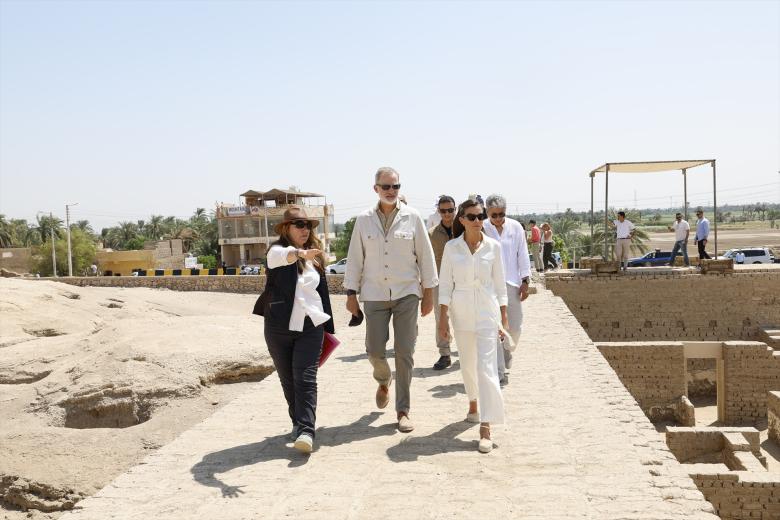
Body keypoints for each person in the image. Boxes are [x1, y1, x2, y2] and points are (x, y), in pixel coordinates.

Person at [344, 167, 437, 433]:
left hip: (407, 293)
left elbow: (426, 258)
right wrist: (351, 295)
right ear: (376, 189)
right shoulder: (363, 220)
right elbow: (355, 260)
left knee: (404, 352)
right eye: (386, 187)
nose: (391, 191)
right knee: (374, 350)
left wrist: (428, 294)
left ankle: (403, 410)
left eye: (395, 187)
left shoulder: (413, 217)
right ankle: (384, 380)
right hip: (373, 295)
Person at [254, 206, 334, 454]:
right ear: (286, 228)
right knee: (288, 381)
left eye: (308, 225)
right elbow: (285, 256)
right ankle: (297, 422)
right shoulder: (276, 251)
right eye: (299, 224)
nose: (305, 229)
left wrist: (329, 329)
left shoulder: (316, 258)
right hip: (278, 326)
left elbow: (322, 293)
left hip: (310, 326)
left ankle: (307, 430)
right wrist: (301, 253)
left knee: (306, 378)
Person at [438, 197, 508, 454]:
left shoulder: (493, 247)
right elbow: (445, 285)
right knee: (467, 364)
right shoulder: (452, 248)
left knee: (486, 368)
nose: (478, 221)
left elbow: (500, 285)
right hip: (461, 311)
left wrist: (504, 316)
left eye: (481, 216)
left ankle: (486, 427)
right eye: (473, 217)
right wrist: (442, 319)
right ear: (462, 220)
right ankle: (473, 402)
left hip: (487, 312)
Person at [483, 194, 531, 386]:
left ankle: (507, 350)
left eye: (501, 214)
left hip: (511, 283)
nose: (498, 218)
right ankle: (499, 371)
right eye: (494, 215)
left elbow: (523, 254)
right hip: (490, 285)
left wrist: (526, 280)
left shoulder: (515, 227)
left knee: (516, 327)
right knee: (495, 328)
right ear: (487, 212)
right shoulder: (482, 227)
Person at [429, 195, 457, 370]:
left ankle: (469, 351)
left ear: (455, 209)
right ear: (438, 211)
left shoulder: (465, 230)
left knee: (466, 317)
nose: (447, 214)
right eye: (443, 210)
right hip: (440, 282)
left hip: (463, 281)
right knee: (441, 318)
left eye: (450, 210)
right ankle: (445, 354)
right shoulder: (431, 234)